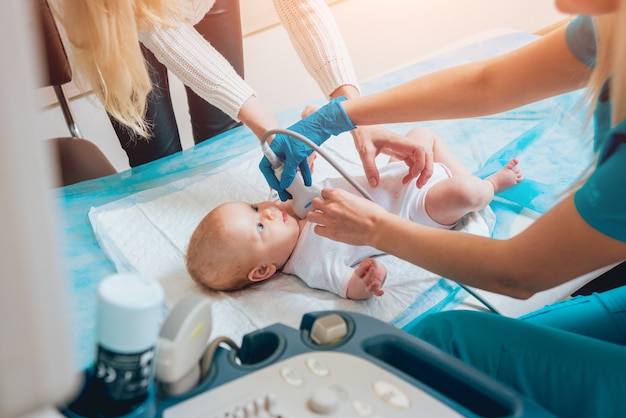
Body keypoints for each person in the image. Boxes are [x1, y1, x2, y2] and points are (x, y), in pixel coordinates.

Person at [262, 1, 626, 416]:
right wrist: (336, 116)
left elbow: (518, 273)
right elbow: (488, 82)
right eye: (257, 220)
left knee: (441, 347)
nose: (269, 212)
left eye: (258, 210)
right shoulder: (611, 24)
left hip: (424, 206)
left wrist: (377, 229)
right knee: (457, 349)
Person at [50, 0, 431, 179]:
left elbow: (302, 7)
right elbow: (163, 33)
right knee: (157, 162)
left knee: (223, 135)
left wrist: (354, 111)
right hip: (110, 17)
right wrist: (270, 128)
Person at [185, 126, 522, 299]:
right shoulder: (310, 264)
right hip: (415, 210)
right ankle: (491, 185)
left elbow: (299, 167)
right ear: (262, 270)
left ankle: (455, 173)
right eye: (259, 227)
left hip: (393, 175)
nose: (268, 212)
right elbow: (352, 288)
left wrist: (304, 157)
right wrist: (368, 277)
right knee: (465, 192)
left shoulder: (285, 202)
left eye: (253, 207)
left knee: (422, 137)